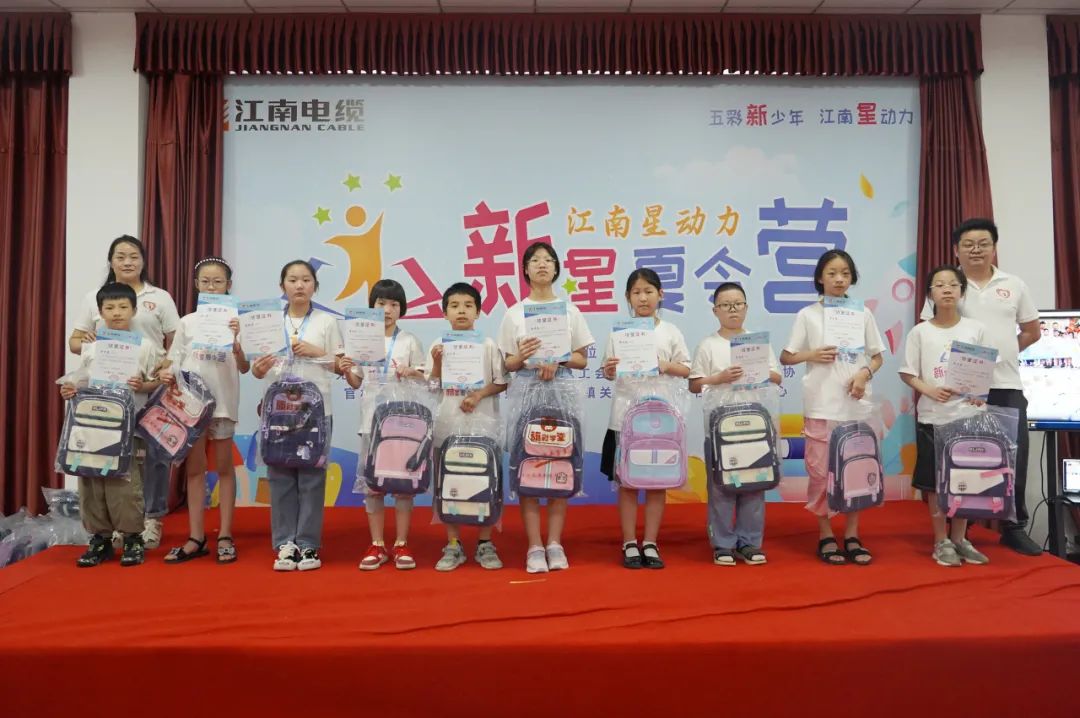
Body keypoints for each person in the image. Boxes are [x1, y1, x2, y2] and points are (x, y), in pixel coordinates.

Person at [920, 218, 1041, 555]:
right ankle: (962, 528)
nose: (976, 249)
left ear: (994, 247)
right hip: (961, 388)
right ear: (956, 249)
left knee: (1013, 453)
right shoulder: (949, 284)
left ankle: (1013, 527)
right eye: (968, 244)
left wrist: (1001, 356)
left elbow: (1032, 331)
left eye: (983, 243)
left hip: (1005, 383)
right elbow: (931, 331)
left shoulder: (1013, 284)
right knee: (963, 455)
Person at [68, 235, 181, 551]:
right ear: (111, 261)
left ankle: (152, 519)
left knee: (154, 458)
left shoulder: (159, 297)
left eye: (134, 256)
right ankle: (122, 523)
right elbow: (75, 342)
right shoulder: (94, 297)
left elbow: (176, 339)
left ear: (143, 260)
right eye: (121, 256)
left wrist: (161, 371)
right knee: (114, 455)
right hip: (109, 393)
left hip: (151, 388)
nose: (128, 261)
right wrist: (87, 340)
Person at [782, 249, 885, 566]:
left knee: (857, 470)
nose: (839, 279)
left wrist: (863, 374)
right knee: (819, 473)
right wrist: (811, 355)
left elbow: (877, 356)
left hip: (856, 404)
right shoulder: (808, 315)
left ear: (852, 277)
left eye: (845, 273)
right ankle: (826, 534)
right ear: (820, 278)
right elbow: (787, 356)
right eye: (832, 273)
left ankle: (852, 534)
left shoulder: (862, 313)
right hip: (821, 405)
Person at [497, 242, 594, 573]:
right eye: (535, 260)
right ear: (525, 269)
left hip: (562, 392)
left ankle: (554, 543)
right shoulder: (514, 313)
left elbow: (582, 359)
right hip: (527, 392)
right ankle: (534, 546)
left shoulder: (571, 311)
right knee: (529, 465)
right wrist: (524, 356)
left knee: (559, 462)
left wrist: (559, 359)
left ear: (556, 269)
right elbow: (508, 364)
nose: (542, 264)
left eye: (548, 260)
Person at [251, 260, 343, 572]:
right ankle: (284, 544)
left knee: (313, 478)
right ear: (282, 286)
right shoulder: (268, 322)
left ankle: (307, 543)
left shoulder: (327, 322)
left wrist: (316, 352)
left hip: (316, 412)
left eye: (306, 279)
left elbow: (341, 366)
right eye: (292, 279)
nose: (299, 285)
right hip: (278, 411)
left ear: (315, 286)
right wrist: (258, 368)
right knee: (279, 477)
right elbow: (256, 369)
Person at [62, 283, 163, 567]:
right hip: (93, 425)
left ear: (134, 310)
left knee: (126, 484)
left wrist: (144, 385)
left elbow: (158, 381)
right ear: (100, 312)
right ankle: (100, 539)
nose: (116, 313)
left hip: (129, 427)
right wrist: (70, 389)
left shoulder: (146, 346)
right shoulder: (92, 346)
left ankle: (132, 538)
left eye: (122, 307)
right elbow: (82, 380)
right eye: (109, 307)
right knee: (91, 482)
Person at [159, 258, 250, 564]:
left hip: (222, 404)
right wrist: (166, 374)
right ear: (197, 285)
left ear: (228, 286)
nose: (212, 287)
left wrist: (236, 343)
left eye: (218, 282)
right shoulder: (187, 322)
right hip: (191, 405)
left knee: (224, 469)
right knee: (195, 469)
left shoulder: (238, 322)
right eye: (206, 282)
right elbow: (173, 360)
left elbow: (245, 366)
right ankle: (196, 536)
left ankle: (225, 534)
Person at [901, 265, 991, 567]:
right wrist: (929, 390)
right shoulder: (920, 332)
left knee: (965, 481)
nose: (947, 289)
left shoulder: (975, 329)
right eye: (939, 285)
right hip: (933, 418)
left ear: (962, 291)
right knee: (936, 484)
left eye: (953, 284)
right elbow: (908, 373)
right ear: (930, 294)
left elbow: (983, 370)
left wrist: (979, 393)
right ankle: (941, 540)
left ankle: (960, 538)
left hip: (967, 417)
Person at [601, 269, 690, 569]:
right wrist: (609, 370)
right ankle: (629, 542)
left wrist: (664, 365)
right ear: (628, 297)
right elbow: (607, 371)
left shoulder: (671, 331)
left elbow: (687, 369)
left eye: (649, 291)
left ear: (660, 295)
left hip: (661, 419)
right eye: (636, 292)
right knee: (627, 482)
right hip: (624, 418)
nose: (643, 298)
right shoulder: (619, 332)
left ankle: (650, 542)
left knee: (656, 482)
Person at [689, 282, 782, 567]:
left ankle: (750, 543)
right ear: (715, 310)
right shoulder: (708, 345)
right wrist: (719, 378)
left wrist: (758, 371)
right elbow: (694, 384)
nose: (732, 310)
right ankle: (723, 544)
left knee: (754, 484)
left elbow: (777, 377)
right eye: (726, 305)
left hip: (755, 425)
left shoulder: (757, 342)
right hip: (719, 428)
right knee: (721, 488)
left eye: (738, 304)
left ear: (746, 307)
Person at [341, 279, 426, 571]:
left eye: (393, 304)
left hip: (402, 425)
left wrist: (412, 372)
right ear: (372, 307)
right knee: (372, 487)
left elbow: (425, 378)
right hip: (370, 423)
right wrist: (346, 369)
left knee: (403, 486)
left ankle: (401, 543)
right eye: (381, 303)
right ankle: (377, 544)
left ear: (402, 309)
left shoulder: (410, 341)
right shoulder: (361, 339)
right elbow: (356, 381)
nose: (387, 310)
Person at [427, 283, 509, 571]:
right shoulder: (438, 345)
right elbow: (432, 386)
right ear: (444, 313)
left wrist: (478, 395)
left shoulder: (488, 345)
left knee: (486, 482)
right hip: (448, 424)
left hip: (484, 426)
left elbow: (501, 382)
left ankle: (485, 542)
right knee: (449, 483)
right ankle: (453, 544)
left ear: (479, 311)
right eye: (454, 306)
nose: (461, 310)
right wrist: (437, 363)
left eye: (468, 305)